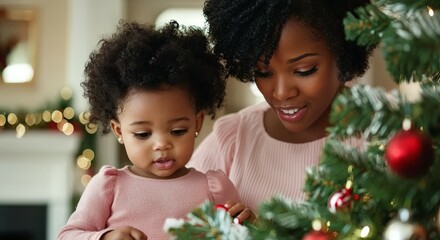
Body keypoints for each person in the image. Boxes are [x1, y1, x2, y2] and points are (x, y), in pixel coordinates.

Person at [57, 20, 254, 240]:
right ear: (119, 131)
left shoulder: (214, 188)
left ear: (197, 123)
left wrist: (249, 226)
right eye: (143, 134)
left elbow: (238, 234)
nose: (162, 144)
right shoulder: (109, 186)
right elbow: (67, 235)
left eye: (178, 130)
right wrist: (105, 237)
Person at [188, 0, 376, 210]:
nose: (281, 92)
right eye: (264, 73)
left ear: (343, 53)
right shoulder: (232, 139)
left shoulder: (387, 136)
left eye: (304, 70)